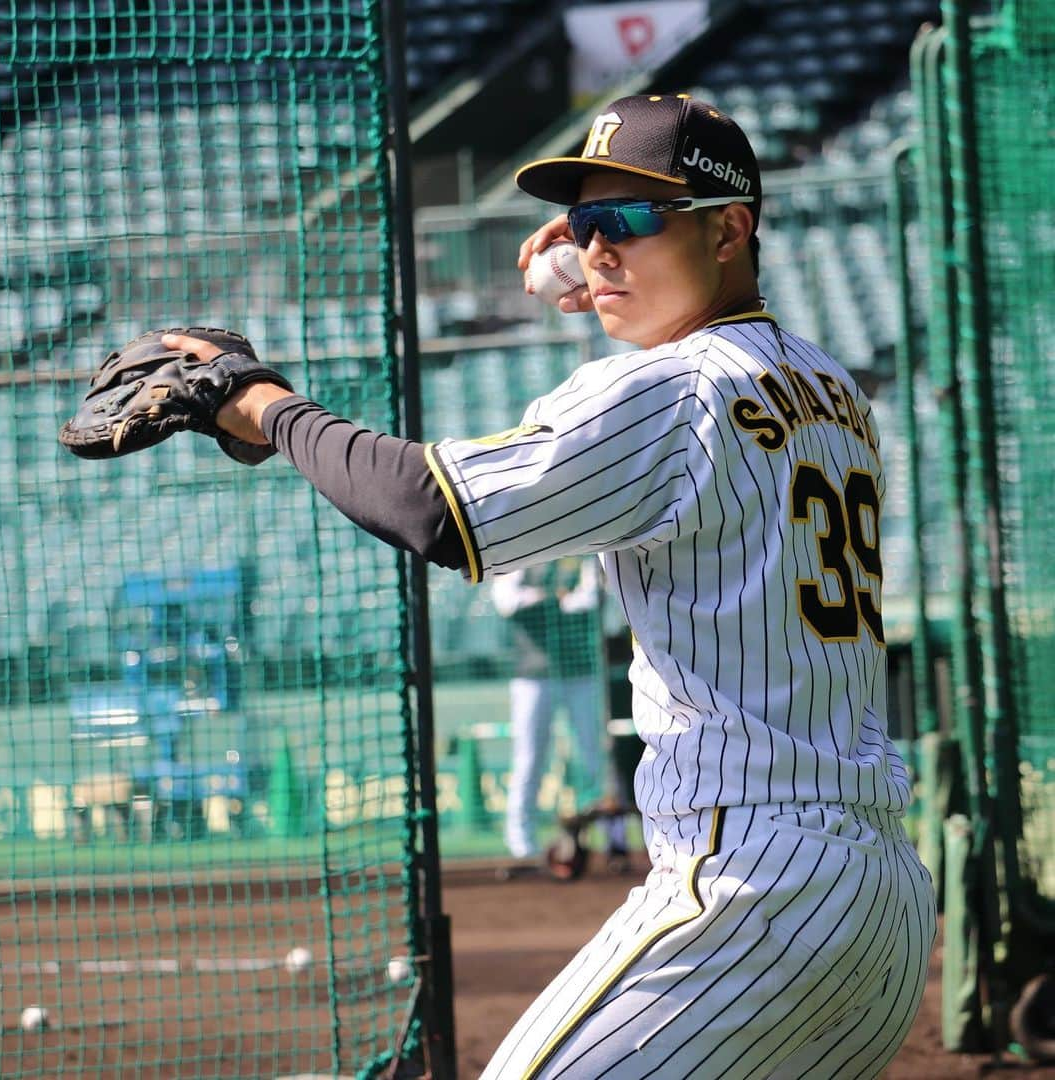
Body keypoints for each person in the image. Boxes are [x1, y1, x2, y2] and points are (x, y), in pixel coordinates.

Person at [164, 92, 936, 1079]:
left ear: (733, 228)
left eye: (628, 220)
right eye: (584, 224)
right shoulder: (834, 387)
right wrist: (618, 257)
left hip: (753, 884)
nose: (598, 248)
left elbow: (428, 508)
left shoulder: (674, 387)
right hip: (882, 900)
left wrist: (260, 403)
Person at [491, 556, 614, 861]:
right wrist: (553, 598)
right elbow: (507, 601)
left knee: (594, 755)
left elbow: (590, 599)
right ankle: (522, 843)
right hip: (532, 676)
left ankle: (615, 839)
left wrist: (560, 601)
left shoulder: (583, 554)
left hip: (581, 672)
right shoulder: (518, 554)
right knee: (529, 758)